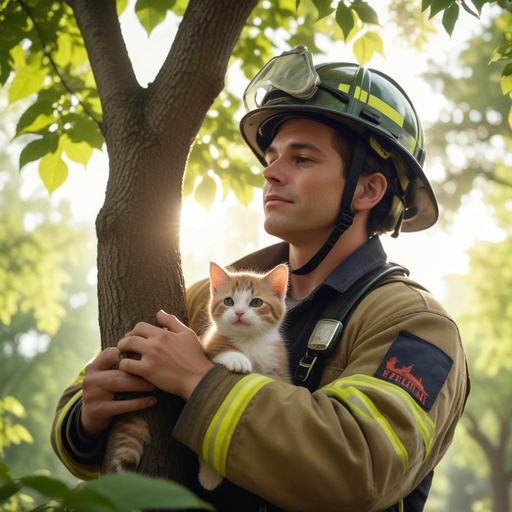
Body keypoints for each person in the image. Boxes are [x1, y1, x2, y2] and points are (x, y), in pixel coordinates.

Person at [51, 46, 470, 511]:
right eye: (270, 157)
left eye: (302, 159)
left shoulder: (415, 324)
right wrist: (86, 416)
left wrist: (199, 379)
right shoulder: (199, 301)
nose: (270, 173)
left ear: (368, 189)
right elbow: (80, 407)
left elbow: (359, 468)